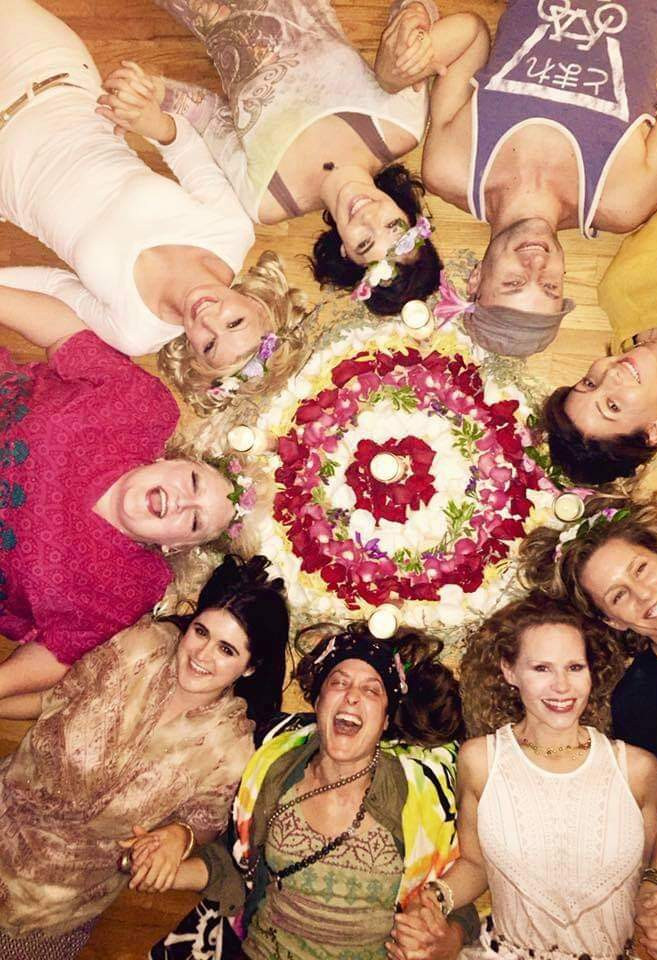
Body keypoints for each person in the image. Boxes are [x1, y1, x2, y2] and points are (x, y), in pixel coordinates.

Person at [0, 0, 308, 411]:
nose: (209, 318)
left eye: (209, 344)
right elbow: (182, 147)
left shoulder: (135, 332)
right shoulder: (231, 232)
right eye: (235, 322)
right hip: (46, 75)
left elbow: (55, 287)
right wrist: (151, 120)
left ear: (193, 354)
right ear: (257, 304)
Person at [0, 554, 289, 960]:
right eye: (201, 631)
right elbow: (55, 699)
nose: (202, 655)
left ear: (250, 668)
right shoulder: (139, 648)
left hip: (53, 907)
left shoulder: (230, 750)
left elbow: (204, 820)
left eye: (226, 649)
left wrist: (180, 836)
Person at [149, 621, 481, 960]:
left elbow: (455, 892)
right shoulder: (273, 771)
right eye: (339, 682)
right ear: (318, 702)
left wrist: (451, 940)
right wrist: (162, 869)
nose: (352, 695)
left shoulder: (419, 795)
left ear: (385, 721)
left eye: (371, 690)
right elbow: (235, 862)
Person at [97, 0, 448, 317]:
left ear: (346, 251)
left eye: (364, 243)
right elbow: (416, 13)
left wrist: (149, 95)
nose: (368, 216)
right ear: (408, 215)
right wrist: (414, 22)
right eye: (392, 226)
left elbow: (208, 115)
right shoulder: (401, 126)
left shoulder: (265, 199)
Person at [410, 0, 657, 355]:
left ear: (476, 278)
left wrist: (411, 57)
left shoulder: (450, 167)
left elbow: (472, 34)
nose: (536, 265)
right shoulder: (622, 200)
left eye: (514, 282)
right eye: (549, 287)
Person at [0, 283, 263, 701]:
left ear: (177, 545)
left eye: (195, 521)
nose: (182, 501)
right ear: (170, 459)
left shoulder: (129, 587)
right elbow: (62, 332)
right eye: (193, 481)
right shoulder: (140, 408)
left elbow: (58, 653)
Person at [389, 592, 657, 960]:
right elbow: (476, 864)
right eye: (541, 669)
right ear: (509, 671)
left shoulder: (638, 771)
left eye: (574, 667)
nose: (562, 686)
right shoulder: (480, 761)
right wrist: (432, 900)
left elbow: (655, 878)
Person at [519, 492, 657, 958]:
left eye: (640, 569)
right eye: (618, 596)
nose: (643, 594)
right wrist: (656, 890)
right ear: (612, 620)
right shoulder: (643, 701)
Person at [542, 113, 657, 484]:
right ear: (652, 431)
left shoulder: (623, 289)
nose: (611, 374)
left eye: (589, 383)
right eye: (612, 405)